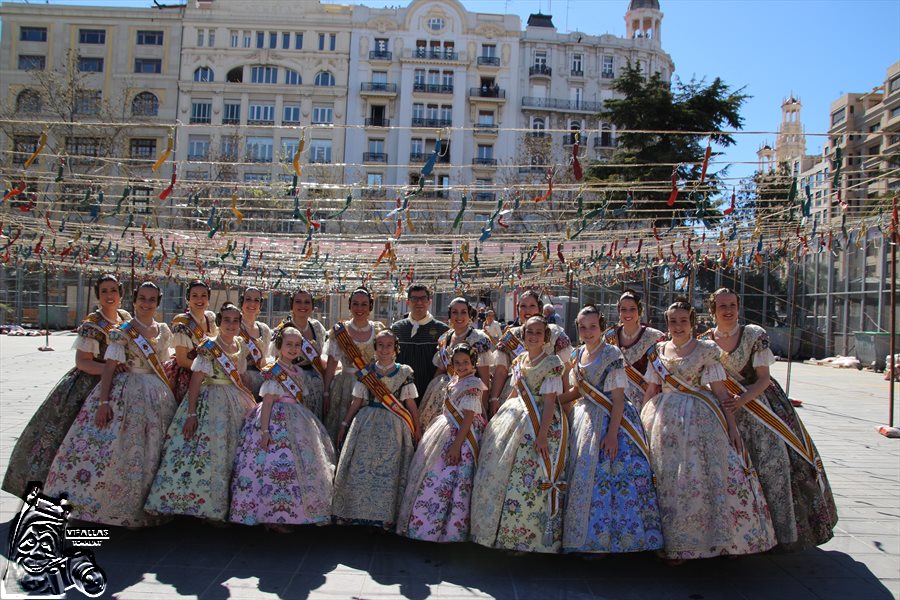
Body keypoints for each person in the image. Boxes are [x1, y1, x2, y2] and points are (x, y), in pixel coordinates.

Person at [702, 288, 837, 550]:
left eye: (732, 304)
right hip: (723, 410)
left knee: (774, 465)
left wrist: (741, 400)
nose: (728, 310)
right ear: (712, 310)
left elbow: (763, 379)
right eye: (721, 306)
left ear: (739, 307)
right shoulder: (705, 341)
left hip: (759, 407)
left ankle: (779, 534)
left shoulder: (754, 335)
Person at [641, 299, 775, 562]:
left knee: (702, 477)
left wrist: (731, 427)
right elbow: (650, 390)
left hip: (700, 419)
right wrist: (638, 424)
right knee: (667, 479)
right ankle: (669, 541)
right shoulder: (657, 352)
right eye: (673, 321)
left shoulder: (706, 350)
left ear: (692, 323)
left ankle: (715, 541)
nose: (678, 326)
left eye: (683, 321)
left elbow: (721, 392)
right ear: (667, 324)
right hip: (662, 420)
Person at [44, 282, 175, 527]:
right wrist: (104, 402)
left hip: (156, 395)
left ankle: (150, 506)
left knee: (152, 450)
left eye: (152, 299)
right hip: (124, 392)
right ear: (135, 301)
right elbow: (109, 370)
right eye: (143, 298)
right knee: (119, 449)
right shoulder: (122, 332)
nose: (147, 304)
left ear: (158, 303)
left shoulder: (163, 331)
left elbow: (164, 365)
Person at [2, 274, 130, 499]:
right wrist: (109, 369)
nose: (109, 296)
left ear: (121, 293)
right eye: (104, 292)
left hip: (120, 385)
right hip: (89, 385)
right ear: (98, 295)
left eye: (113, 291)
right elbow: (83, 362)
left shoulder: (125, 318)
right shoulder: (93, 324)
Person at [559, 306, 663, 554]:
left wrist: (613, 434)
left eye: (593, 326)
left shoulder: (612, 354)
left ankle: (613, 540)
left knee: (612, 477)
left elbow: (618, 399)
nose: (588, 332)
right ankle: (584, 538)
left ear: (602, 327)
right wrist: (551, 400)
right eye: (583, 327)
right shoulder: (578, 353)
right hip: (584, 418)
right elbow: (578, 391)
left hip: (611, 420)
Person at [145, 303, 256, 523]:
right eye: (227, 320)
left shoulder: (241, 344)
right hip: (209, 400)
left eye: (235, 321)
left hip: (235, 401)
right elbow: (196, 380)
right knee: (205, 453)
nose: (231, 325)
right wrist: (192, 414)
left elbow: (240, 376)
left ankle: (227, 506)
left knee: (231, 454)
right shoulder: (208, 346)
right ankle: (199, 506)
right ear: (218, 323)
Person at [471, 316, 567, 553]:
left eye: (538, 332)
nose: (533, 336)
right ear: (523, 336)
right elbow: (515, 391)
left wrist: (543, 435)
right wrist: (501, 415)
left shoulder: (552, 363)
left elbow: (550, 402)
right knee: (499, 473)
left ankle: (528, 539)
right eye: (529, 332)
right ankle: (502, 533)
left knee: (530, 478)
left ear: (545, 337)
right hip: (515, 416)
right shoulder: (521, 359)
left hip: (540, 424)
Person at [230, 327, 335, 530]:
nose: (293, 349)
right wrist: (265, 431)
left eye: (297, 345)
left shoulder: (299, 371)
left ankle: (293, 512)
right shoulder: (273, 372)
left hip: (297, 418)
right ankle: (269, 514)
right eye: (289, 344)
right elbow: (267, 402)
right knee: (272, 465)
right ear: (279, 347)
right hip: (274, 420)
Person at [332, 330, 421, 529]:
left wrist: (416, 428)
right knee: (362, 466)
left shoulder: (405, 372)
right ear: (375, 347)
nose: (384, 349)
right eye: (380, 345)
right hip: (366, 422)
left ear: (395, 348)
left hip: (396, 426)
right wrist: (345, 424)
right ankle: (357, 512)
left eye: (389, 345)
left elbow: (410, 403)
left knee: (390, 471)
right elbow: (357, 401)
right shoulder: (366, 372)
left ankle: (386, 517)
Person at [398, 343, 487, 542]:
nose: (462, 366)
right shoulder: (454, 380)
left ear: (473, 363)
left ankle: (451, 530)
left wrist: (456, 445)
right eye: (457, 363)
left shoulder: (473, 384)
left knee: (455, 479)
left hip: (462, 436)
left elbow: (468, 417)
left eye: (466, 362)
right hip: (445, 429)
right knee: (435, 476)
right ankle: (427, 526)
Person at [488, 290, 572, 415]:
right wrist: (494, 398)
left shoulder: (555, 334)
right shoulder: (510, 336)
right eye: (523, 306)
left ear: (539, 308)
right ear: (518, 310)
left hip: (547, 397)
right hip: (516, 397)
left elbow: (566, 371)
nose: (527, 310)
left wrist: (567, 401)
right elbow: (501, 371)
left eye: (532, 306)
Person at [418, 297, 493, 429]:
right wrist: (431, 392)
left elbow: (484, 379)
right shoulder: (444, 338)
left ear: (469, 315)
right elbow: (440, 370)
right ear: (449, 315)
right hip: (443, 393)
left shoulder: (478, 338)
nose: (459, 316)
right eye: (455, 312)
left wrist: (483, 404)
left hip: (467, 395)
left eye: (463, 312)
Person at [322, 287, 385, 443]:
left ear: (370, 307)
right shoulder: (339, 332)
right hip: (344, 386)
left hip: (370, 386)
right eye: (355, 304)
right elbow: (331, 364)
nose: (359, 308)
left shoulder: (378, 330)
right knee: (340, 425)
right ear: (350, 306)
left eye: (364, 304)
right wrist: (326, 392)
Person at [604, 290, 666, 411]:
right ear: (619, 312)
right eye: (623, 309)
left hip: (647, 401)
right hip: (614, 400)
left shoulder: (654, 337)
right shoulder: (610, 336)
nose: (628, 313)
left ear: (639, 311)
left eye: (632, 309)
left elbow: (661, 375)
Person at [272, 288, 328, 421]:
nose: (303, 306)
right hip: (291, 384)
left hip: (315, 385)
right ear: (291, 305)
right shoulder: (284, 329)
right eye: (298, 302)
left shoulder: (317, 328)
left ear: (312, 306)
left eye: (307, 302)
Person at [391, 284, 449, 404]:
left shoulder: (442, 330)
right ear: (408, 302)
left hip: (430, 393)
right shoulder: (396, 329)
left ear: (429, 301)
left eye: (423, 298)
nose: (419, 302)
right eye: (414, 298)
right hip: (401, 393)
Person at [163, 280, 217, 403]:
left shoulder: (210, 319)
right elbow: (182, 360)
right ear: (188, 299)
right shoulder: (182, 322)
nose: (199, 299)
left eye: (203, 295)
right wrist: (208, 370)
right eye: (194, 296)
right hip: (189, 374)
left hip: (208, 373)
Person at [238, 286, 272, 399]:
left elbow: (264, 360)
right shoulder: (234, 326)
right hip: (237, 383)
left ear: (260, 305)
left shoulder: (265, 330)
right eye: (248, 299)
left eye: (256, 300)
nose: (252, 304)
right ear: (242, 302)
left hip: (259, 385)